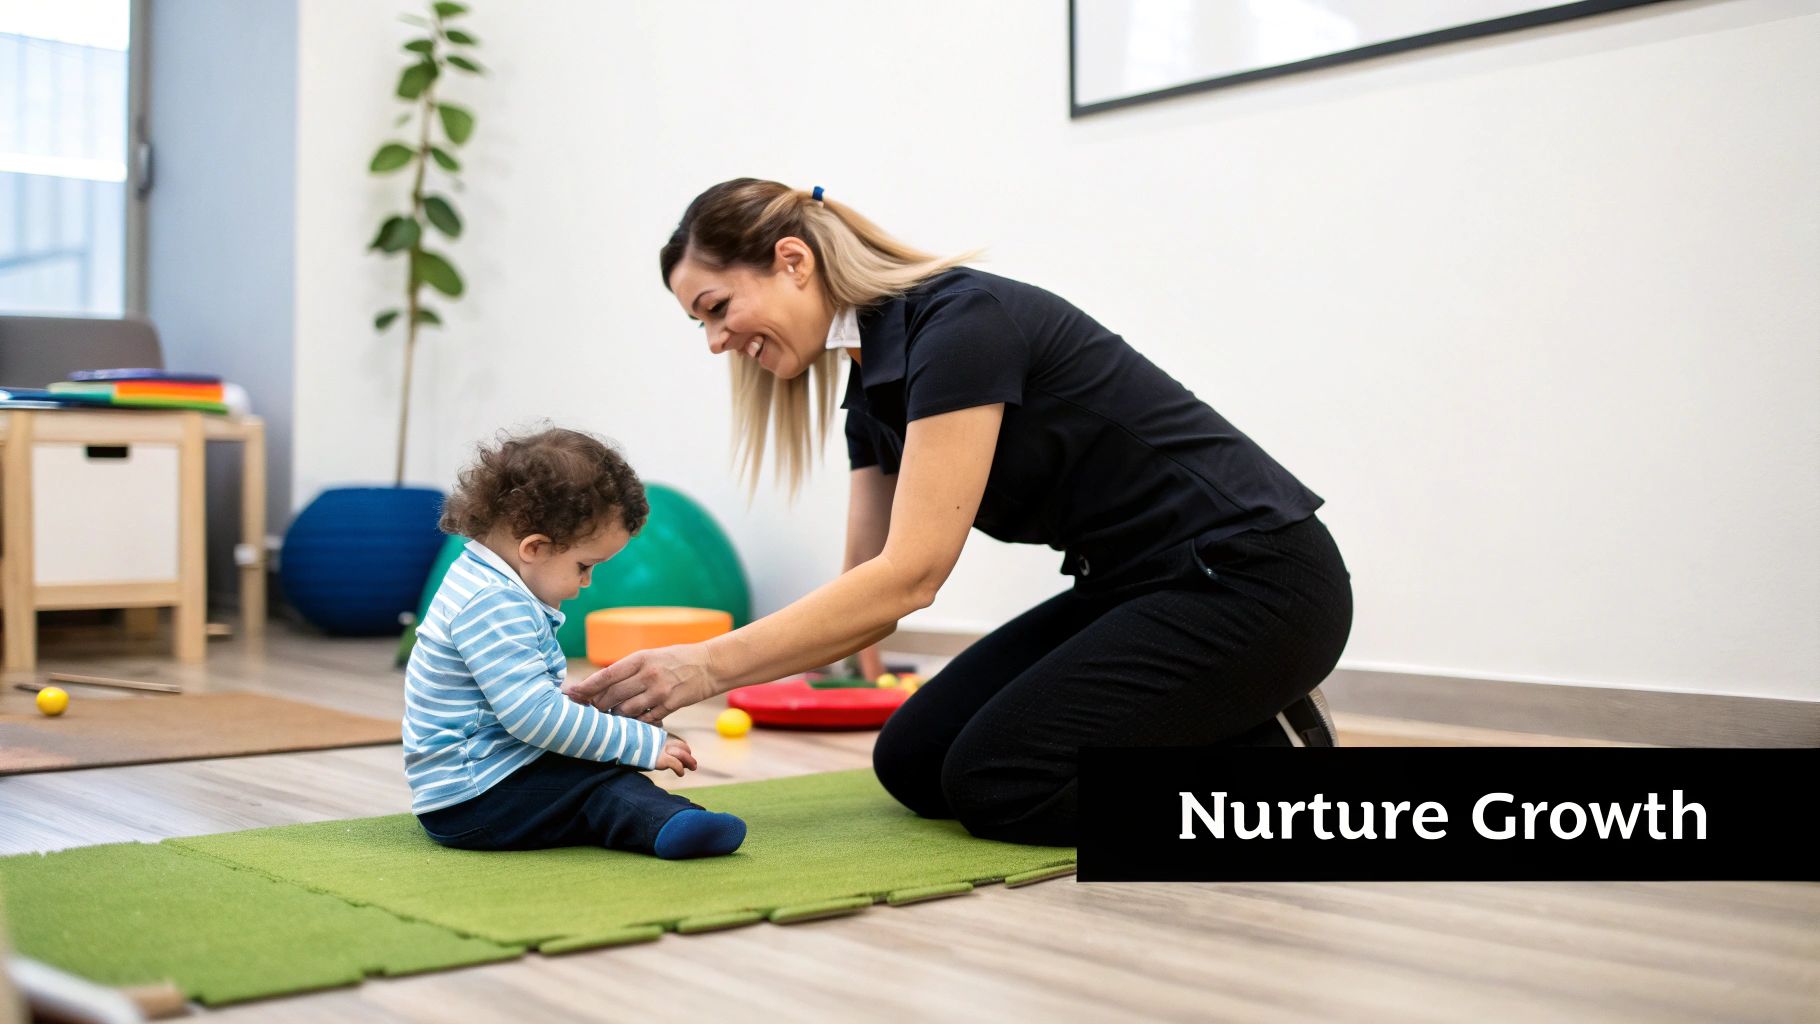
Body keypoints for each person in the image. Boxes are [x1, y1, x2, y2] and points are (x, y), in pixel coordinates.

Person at [564, 179, 1353, 846]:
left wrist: (701, 665)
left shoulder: (960, 326)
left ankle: (1264, 765)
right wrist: (801, 670)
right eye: (699, 322)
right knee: (912, 760)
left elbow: (911, 576)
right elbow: (867, 591)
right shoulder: (870, 393)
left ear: (792, 261)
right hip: (1137, 589)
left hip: (1255, 580)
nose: (713, 340)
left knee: (1000, 782)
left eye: (715, 307)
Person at [404, 426, 746, 858]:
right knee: (597, 788)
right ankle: (670, 822)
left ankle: (658, 815)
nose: (586, 582)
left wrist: (576, 705)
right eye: (584, 566)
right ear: (534, 547)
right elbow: (531, 718)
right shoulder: (492, 603)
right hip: (477, 799)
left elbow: (503, 701)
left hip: (484, 779)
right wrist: (639, 744)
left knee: (591, 765)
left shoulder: (486, 580)